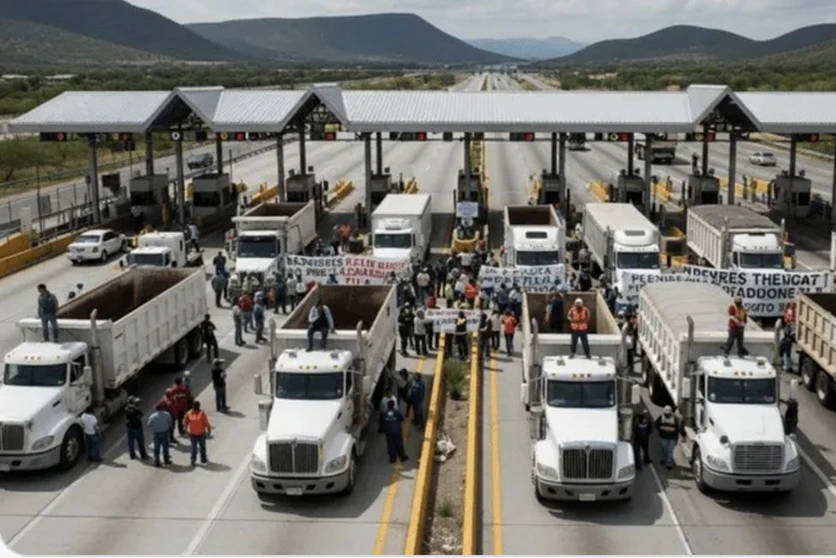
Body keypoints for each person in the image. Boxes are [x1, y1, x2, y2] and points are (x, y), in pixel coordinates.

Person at [379, 399, 408, 463]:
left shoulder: (384, 412)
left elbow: (381, 421)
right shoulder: (396, 411)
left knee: (390, 445)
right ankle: (402, 457)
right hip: (397, 431)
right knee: (399, 444)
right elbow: (402, 419)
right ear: (393, 405)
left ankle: (392, 458)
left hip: (388, 432)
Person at [655, 405, 683, 470]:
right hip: (663, 438)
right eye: (666, 413)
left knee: (670, 451)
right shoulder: (661, 417)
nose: (667, 415)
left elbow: (678, 428)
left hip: (672, 438)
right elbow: (656, 425)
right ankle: (664, 459)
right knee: (664, 450)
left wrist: (676, 438)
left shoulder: (675, 418)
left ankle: (668, 463)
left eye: (668, 414)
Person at [183, 401, 211, 466]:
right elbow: (206, 422)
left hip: (193, 434)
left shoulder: (189, 413)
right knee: (202, 447)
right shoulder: (202, 413)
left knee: (194, 448)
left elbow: (185, 422)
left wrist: (186, 430)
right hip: (201, 433)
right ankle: (203, 459)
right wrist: (209, 430)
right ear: (199, 406)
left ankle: (193, 460)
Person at [147, 402, 173, 467]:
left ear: (156, 409)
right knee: (165, 447)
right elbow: (170, 423)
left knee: (157, 448)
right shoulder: (167, 414)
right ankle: (166, 460)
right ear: (162, 408)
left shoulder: (152, 416)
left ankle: (157, 462)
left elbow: (149, 425)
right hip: (165, 433)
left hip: (156, 434)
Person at [124, 396, 148, 461]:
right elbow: (141, 415)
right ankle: (143, 455)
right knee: (140, 441)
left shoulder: (126, 409)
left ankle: (132, 454)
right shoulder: (136, 409)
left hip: (129, 428)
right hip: (137, 427)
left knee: (130, 441)